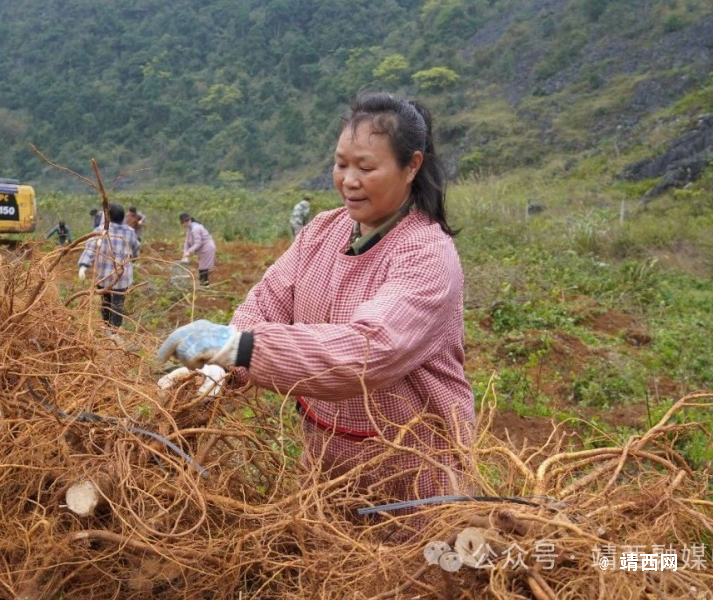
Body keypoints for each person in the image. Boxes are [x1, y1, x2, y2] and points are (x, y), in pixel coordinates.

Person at [158, 92, 476, 523]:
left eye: (366, 167)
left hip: (413, 476)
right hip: (327, 469)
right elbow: (268, 299)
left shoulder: (426, 255)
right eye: (341, 164)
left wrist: (243, 347)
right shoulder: (322, 231)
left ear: (412, 166)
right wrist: (222, 364)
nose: (348, 179)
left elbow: (369, 352)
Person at [78, 203, 140, 328]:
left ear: (108, 216)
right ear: (123, 216)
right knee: (118, 304)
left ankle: (107, 325)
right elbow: (135, 251)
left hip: (103, 275)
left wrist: (84, 266)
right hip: (122, 276)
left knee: (105, 301)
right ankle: (114, 331)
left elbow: (90, 249)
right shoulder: (130, 232)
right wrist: (131, 260)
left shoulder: (100, 231)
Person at [179, 213, 216, 287]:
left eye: (184, 222)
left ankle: (204, 285)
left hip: (207, 249)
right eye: (182, 223)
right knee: (202, 267)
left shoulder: (196, 228)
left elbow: (198, 243)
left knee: (203, 268)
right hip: (202, 249)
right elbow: (187, 242)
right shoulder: (190, 229)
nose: (183, 224)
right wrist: (185, 252)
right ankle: (203, 285)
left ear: (188, 221)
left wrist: (189, 252)